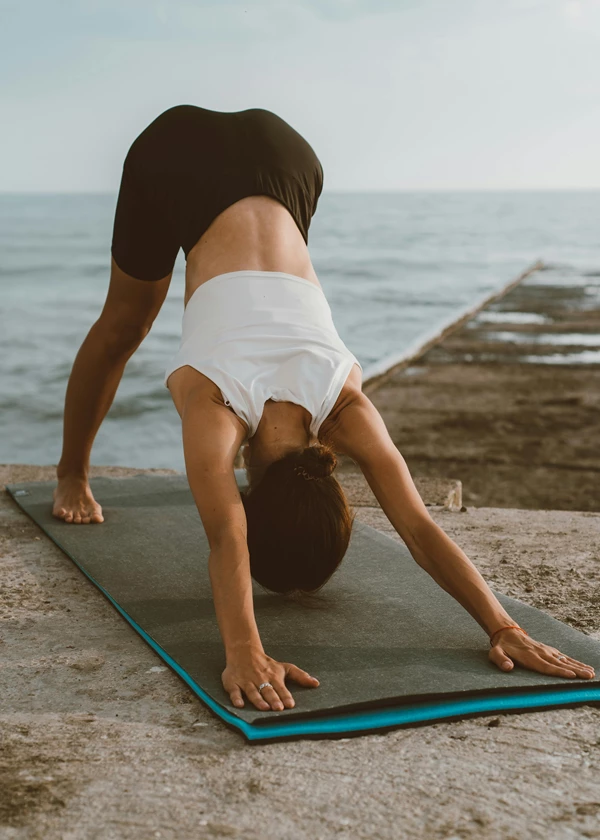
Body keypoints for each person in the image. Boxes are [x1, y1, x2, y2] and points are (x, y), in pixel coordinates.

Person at [52, 104, 595, 713]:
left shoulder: (345, 402)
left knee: (152, 302)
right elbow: (226, 537)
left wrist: (505, 626)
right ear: (255, 497)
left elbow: (417, 525)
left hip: (287, 151)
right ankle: (71, 473)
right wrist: (243, 650)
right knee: (128, 322)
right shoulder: (215, 401)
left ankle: (74, 470)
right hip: (180, 154)